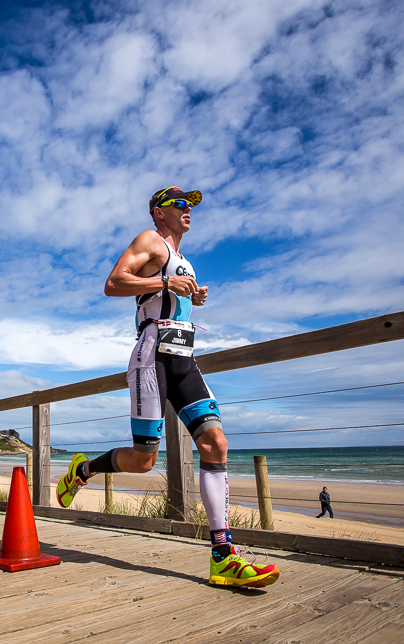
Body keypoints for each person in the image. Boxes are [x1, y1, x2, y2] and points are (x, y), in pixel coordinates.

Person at [55, 186, 280, 588]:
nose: (188, 209)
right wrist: (162, 284)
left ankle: (223, 556)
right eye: (180, 204)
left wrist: (194, 295)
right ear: (159, 212)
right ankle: (83, 469)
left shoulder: (185, 262)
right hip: (151, 356)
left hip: (184, 359)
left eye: (191, 204)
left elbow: (173, 294)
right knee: (144, 460)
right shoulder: (150, 243)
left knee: (215, 444)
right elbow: (113, 283)